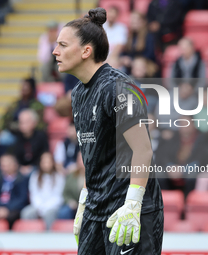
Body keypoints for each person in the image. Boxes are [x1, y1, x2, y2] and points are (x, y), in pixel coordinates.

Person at [52, 8, 163, 254]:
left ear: (85, 51)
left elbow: (143, 150)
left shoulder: (121, 88)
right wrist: (84, 199)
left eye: (62, 44)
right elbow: (92, 155)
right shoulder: (78, 93)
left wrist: (133, 204)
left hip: (129, 208)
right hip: (96, 207)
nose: (54, 51)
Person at [20, 152, 65, 230]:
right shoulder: (35, 176)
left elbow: (58, 197)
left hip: (53, 207)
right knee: (26, 213)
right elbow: (34, 194)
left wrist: (45, 208)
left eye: (48, 162)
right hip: (37, 206)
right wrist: (39, 207)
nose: (46, 164)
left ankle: (48, 236)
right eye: (44, 162)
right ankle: (30, 235)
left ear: (53, 163)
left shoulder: (59, 177)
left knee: (49, 214)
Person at [0, 153, 28, 229]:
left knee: (12, 217)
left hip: (13, 208)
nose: (3, 167)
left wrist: (7, 209)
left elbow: (22, 198)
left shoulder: (22, 179)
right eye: (2, 164)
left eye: (5, 164)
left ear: (14, 165)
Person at [11, 109, 49, 176]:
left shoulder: (41, 136)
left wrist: (32, 166)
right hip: (20, 169)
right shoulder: (17, 137)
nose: (23, 125)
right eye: (21, 122)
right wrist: (20, 167)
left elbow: (44, 154)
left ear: (34, 122)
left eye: (26, 122)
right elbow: (15, 155)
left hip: (37, 168)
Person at [58, 152, 85, 220]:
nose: (81, 161)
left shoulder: (94, 177)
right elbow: (65, 193)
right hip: (73, 206)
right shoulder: (71, 175)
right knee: (63, 212)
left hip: (87, 206)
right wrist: (70, 201)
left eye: (83, 158)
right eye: (79, 159)